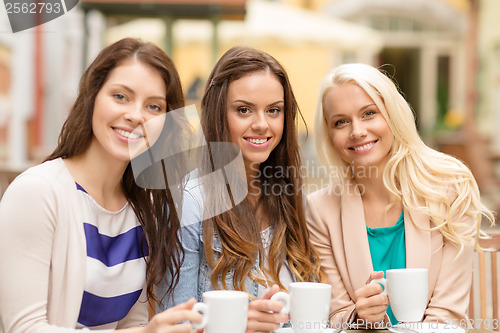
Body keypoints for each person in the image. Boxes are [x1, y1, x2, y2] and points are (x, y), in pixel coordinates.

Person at [0, 38, 202, 332]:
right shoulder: (37, 192)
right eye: (121, 96)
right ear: (93, 96)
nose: (135, 115)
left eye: (154, 106)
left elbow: (132, 325)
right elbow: (24, 328)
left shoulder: (145, 209)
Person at [306, 63, 495, 327]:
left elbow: (446, 314)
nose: (357, 131)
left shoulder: (450, 187)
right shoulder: (319, 209)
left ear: (392, 115)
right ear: (329, 135)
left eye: (369, 113)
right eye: (341, 122)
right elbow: (336, 314)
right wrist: (359, 317)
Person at [156, 46, 325, 333]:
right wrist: (233, 324)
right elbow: (174, 326)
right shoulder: (188, 203)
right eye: (243, 110)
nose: (261, 124)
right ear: (218, 115)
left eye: (274, 110)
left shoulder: (293, 200)